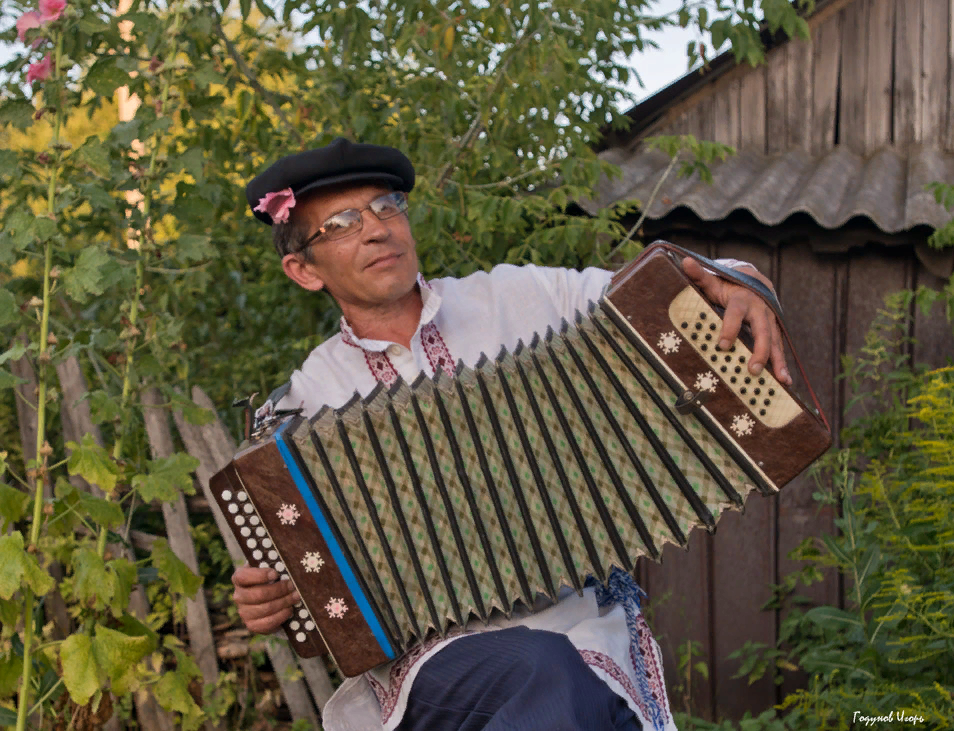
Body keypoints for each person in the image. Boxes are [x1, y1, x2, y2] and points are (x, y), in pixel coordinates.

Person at [232, 138, 791, 731]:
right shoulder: (303, 406)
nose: (376, 229)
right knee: (545, 674)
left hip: (587, 630)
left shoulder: (524, 297)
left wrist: (738, 279)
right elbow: (307, 593)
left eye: (387, 206)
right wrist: (274, 593)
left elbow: (673, 294)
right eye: (343, 223)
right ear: (303, 270)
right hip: (433, 664)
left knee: (570, 687)